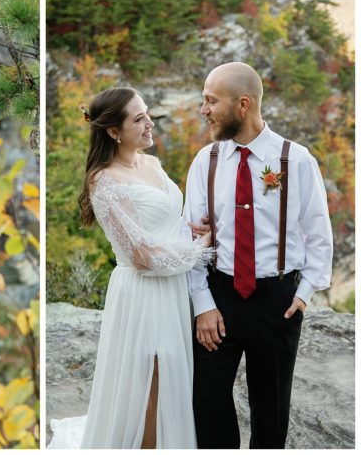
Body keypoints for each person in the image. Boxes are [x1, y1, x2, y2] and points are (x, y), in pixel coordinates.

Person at [49, 87, 212, 449]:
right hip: (142, 292)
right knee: (153, 380)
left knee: (171, 382)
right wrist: (201, 249)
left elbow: (167, 223)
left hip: (173, 291)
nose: (150, 122)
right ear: (114, 131)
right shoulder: (104, 181)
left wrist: (192, 231)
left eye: (148, 114)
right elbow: (142, 256)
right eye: (139, 118)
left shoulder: (152, 163)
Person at [184, 62, 333, 449]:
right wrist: (202, 303)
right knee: (208, 403)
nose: (204, 110)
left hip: (277, 302)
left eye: (211, 101)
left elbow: (318, 234)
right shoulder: (206, 162)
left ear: (243, 104)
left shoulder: (295, 160)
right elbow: (190, 239)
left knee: (271, 411)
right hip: (219, 299)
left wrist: (302, 296)